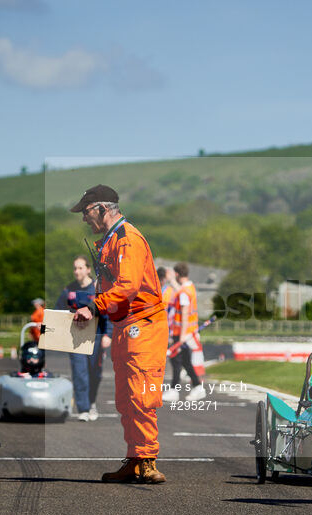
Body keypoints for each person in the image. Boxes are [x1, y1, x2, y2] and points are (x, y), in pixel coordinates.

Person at [71, 184, 169, 483]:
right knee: (125, 398)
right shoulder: (111, 241)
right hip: (124, 325)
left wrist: (93, 307)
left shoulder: (128, 240)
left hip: (144, 324)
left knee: (141, 394)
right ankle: (135, 457)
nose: (84, 219)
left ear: (102, 208)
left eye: (86, 212)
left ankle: (148, 459)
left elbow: (127, 286)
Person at [55, 256, 113, 421]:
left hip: (97, 336)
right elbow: (58, 312)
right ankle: (83, 409)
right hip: (76, 338)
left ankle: (92, 402)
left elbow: (107, 312)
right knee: (80, 372)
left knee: (95, 373)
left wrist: (108, 334)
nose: (77, 271)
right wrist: (46, 327)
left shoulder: (98, 288)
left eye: (80, 268)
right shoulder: (69, 290)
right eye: (75, 268)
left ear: (88, 269)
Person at [163, 262, 206, 401]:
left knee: (177, 361)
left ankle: (175, 390)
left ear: (177, 274)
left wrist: (181, 337)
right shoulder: (189, 287)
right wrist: (171, 281)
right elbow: (179, 290)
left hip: (183, 333)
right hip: (186, 332)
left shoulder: (184, 292)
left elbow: (185, 313)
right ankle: (197, 387)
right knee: (185, 361)